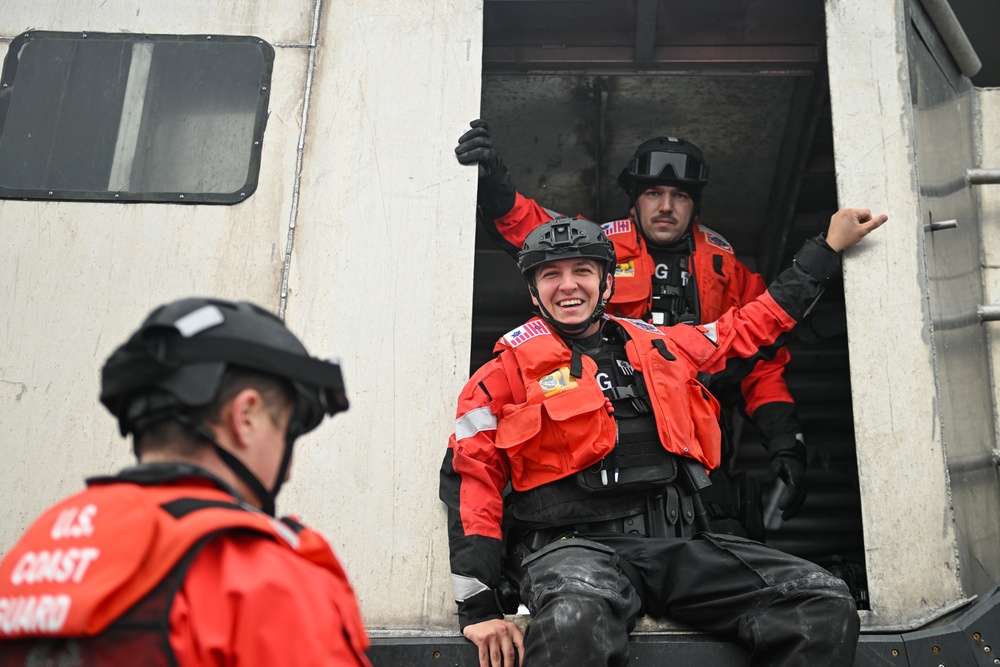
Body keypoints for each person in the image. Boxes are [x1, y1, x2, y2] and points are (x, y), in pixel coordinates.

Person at [440, 210, 887, 667]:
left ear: (607, 284)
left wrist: (827, 249)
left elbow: (755, 324)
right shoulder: (499, 377)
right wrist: (479, 608)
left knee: (822, 602)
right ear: (533, 292)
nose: (568, 285)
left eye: (583, 271)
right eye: (551, 274)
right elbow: (472, 482)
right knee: (574, 617)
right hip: (575, 556)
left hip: (681, 549)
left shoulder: (668, 345)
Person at [456, 121, 807, 538]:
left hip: (698, 442)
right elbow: (532, 228)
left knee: (718, 545)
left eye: (679, 196)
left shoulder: (728, 270)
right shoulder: (595, 248)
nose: (665, 206)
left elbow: (760, 359)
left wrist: (786, 442)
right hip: (608, 440)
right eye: (653, 193)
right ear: (634, 201)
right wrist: (494, 181)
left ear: (695, 205)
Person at [0, 298, 371, 666]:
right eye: (288, 429)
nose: (287, 470)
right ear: (246, 416)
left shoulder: (34, 553)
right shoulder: (265, 585)